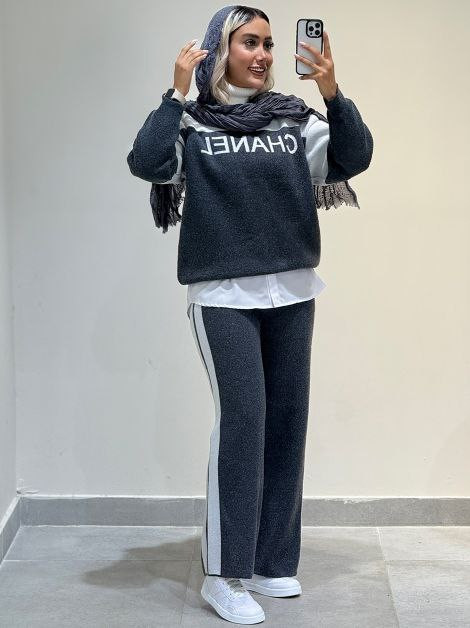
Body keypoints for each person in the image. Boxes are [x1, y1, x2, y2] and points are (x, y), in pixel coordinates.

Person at [127, 5, 373, 624]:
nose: (262, 54)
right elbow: (148, 162)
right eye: (248, 43)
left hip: (292, 289)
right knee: (244, 423)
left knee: (287, 422)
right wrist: (173, 94)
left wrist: (331, 91)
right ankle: (224, 572)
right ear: (219, 51)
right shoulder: (192, 125)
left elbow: (353, 158)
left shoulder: (293, 119)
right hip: (223, 297)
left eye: (267, 43)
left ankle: (271, 561)